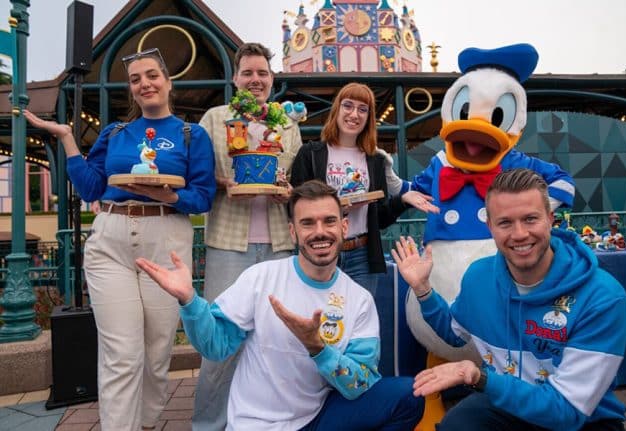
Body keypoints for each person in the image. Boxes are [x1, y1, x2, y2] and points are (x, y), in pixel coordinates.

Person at [24, 48, 216, 431]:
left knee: (158, 350)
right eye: (135, 79)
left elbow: (204, 195)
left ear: (167, 81)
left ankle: (146, 423)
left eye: (152, 75)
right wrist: (67, 139)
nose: (144, 83)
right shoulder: (115, 133)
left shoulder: (191, 135)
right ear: (131, 89)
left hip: (165, 239)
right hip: (110, 238)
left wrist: (171, 196)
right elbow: (93, 185)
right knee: (121, 353)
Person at [136, 180, 425, 430]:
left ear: (344, 226)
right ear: (293, 232)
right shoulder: (261, 278)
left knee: (408, 396)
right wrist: (189, 300)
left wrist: (318, 348)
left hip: (317, 416)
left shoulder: (359, 300)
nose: (320, 232)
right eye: (307, 223)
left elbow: (360, 383)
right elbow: (215, 345)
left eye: (329, 221)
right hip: (256, 424)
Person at [392, 168, 626, 431]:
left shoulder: (603, 297)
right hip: (508, 405)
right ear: (490, 227)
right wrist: (423, 289)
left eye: (530, 219)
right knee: (456, 425)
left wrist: (479, 377)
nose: (519, 234)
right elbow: (454, 332)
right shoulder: (478, 276)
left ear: (551, 219)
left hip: (582, 420)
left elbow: (566, 411)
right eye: (505, 223)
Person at [195, 42, 302, 430]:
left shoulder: (287, 125)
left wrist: (291, 191)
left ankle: (271, 421)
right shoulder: (215, 118)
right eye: (248, 73)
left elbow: (298, 182)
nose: (255, 80)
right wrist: (219, 181)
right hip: (228, 241)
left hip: (279, 243)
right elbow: (199, 176)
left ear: (272, 81)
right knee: (218, 339)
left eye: (262, 74)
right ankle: (209, 425)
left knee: (276, 339)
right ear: (235, 78)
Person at [290, 82, 437, 297]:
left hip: (362, 255)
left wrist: (403, 199)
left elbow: (381, 218)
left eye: (362, 109)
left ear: (368, 117)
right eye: (348, 106)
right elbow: (295, 207)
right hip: (321, 252)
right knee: (321, 322)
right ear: (337, 110)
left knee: (359, 322)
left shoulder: (375, 160)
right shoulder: (311, 153)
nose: (354, 114)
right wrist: (339, 206)